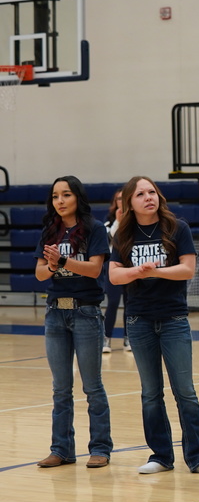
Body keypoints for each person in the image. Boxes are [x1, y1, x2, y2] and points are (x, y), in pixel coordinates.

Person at [109, 176, 199, 476]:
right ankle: (160, 455)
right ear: (130, 202)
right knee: (150, 392)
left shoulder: (176, 227)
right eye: (141, 194)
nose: (148, 197)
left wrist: (153, 271)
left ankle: (198, 457)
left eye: (152, 192)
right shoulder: (123, 234)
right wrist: (137, 271)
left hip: (173, 320)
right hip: (138, 320)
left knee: (185, 391)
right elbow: (115, 276)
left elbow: (187, 269)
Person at [34, 176, 113, 469]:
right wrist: (52, 265)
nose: (60, 201)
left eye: (66, 194)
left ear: (77, 197)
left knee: (92, 386)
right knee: (60, 387)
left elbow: (94, 269)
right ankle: (62, 449)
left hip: (86, 313)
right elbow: (41, 274)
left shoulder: (94, 229)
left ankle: (101, 448)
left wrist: (62, 262)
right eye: (55, 196)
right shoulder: (49, 230)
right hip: (55, 313)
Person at [101, 189, 129, 353]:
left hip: (130, 265)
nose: (121, 201)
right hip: (113, 265)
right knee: (112, 302)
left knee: (129, 302)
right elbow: (108, 240)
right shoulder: (108, 221)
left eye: (124, 198)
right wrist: (118, 221)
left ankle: (128, 337)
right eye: (119, 198)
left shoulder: (135, 219)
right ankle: (106, 337)